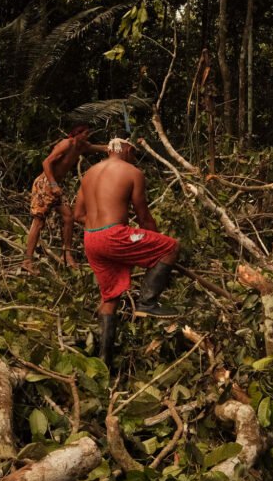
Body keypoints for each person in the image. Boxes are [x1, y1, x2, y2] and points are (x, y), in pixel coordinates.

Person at [74, 136, 180, 367]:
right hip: (113, 235)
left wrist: (100, 227)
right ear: (126, 149)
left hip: (91, 238)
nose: (135, 157)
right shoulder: (132, 172)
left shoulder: (89, 174)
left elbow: (78, 215)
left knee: (110, 297)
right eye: (134, 152)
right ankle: (147, 303)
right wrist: (156, 243)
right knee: (171, 247)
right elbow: (143, 216)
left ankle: (104, 363)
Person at [23, 126, 107, 273]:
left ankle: (67, 255)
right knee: (38, 222)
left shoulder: (82, 146)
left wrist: (123, 144)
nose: (88, 136)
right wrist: (53, 185)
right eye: (85, 133)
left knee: (69, 217)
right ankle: (27, 261)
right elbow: (46, 162)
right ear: (77, 134)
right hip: (45, 184)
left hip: (56, 187)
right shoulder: (67, 144)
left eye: (88, 134)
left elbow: (103, 148)